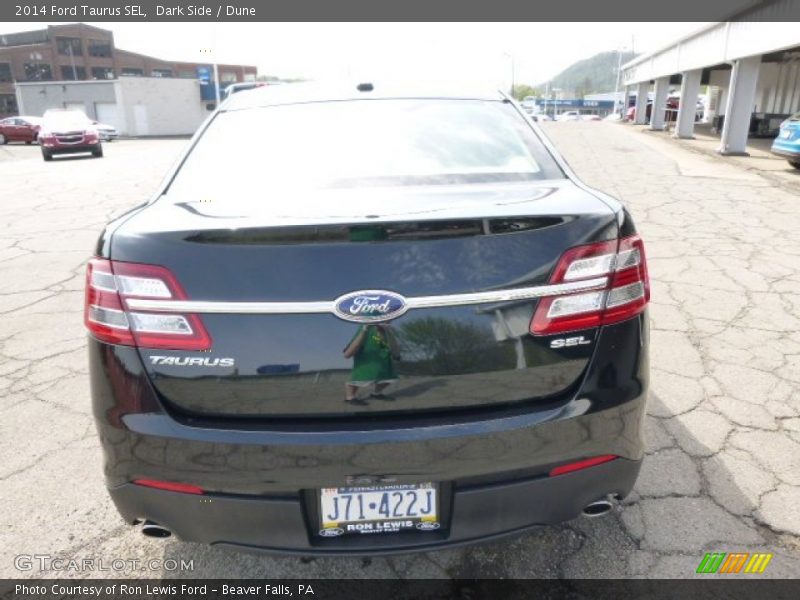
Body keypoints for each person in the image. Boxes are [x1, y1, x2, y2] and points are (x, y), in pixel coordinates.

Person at [342, 323, 400, 405]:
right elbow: (348, 353)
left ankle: (377, 393)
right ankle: (350, 397)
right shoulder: (366, 328)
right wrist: (365, 329)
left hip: (382, 362)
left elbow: (390, 349)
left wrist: (388, 331)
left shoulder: (384, 331)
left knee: (389, 377)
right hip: (366, 362)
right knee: (358, 378)